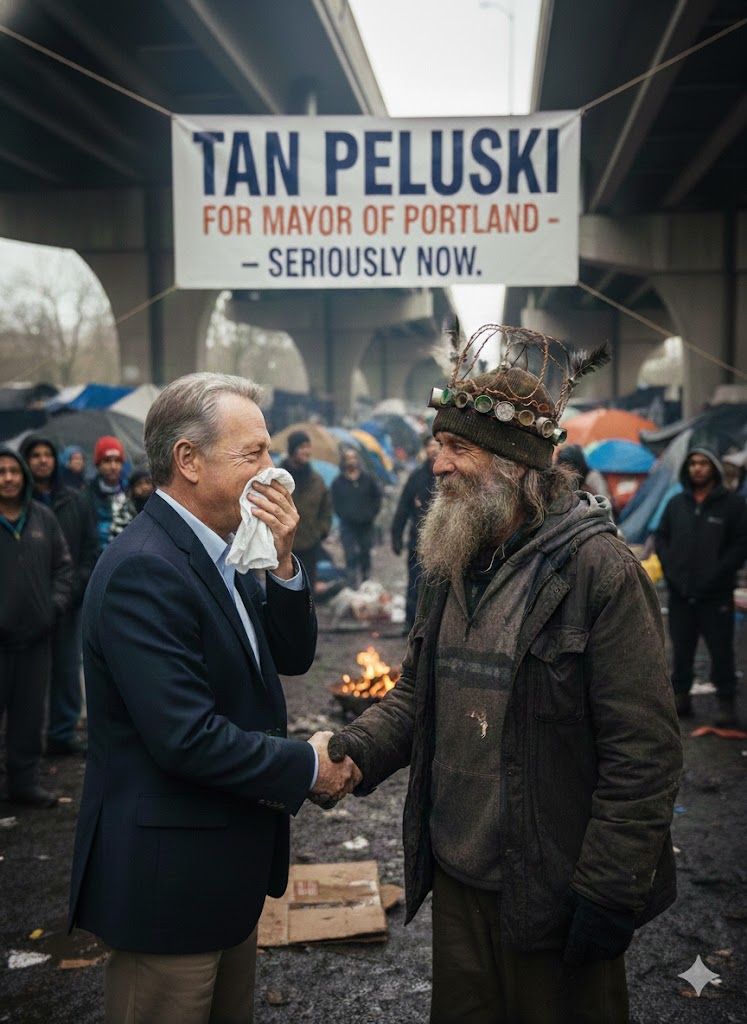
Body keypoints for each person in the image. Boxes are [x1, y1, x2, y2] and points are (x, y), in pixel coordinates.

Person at [320, 326, 683, 1024]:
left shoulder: (599, 574)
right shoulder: (450, 562)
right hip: (459, 880)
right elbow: (416, 697)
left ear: (516, 465)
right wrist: (346, 758)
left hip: (554, 885)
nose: (437, 465)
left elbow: (643, 751)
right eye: (438, 446)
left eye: (457, 449)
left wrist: (609, 889)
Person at [68, 372, 357, 1024]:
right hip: (169, 889)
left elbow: (288, 658)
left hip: (220, 877)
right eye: (252, 454)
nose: (272, 470)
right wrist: (307, 764)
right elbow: (185, 738)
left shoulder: (220, 548)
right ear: (188, 461)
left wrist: (283, 564)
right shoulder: (146, 567)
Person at [0, 446, 73, 807]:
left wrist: (53, 607)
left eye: (14, 471)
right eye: (2, 472)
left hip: (35, 639)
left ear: (24, 477)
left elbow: (63, 567)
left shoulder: (43, 518)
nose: (9, 478)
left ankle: (24, 783)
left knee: (30, 717)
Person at [654, 444, 747, 726]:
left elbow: (740, 545)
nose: (697, 468)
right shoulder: (676, 503)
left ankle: (726, 704)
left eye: (703, 463)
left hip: (715, 595)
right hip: (681, 594)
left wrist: (716, 575)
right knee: (681, 649)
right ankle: (681, 699)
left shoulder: (732, 505)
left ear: (714, 470)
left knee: (721, 651)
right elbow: (661, 538)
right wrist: (671, 572)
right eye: (693, 463)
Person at [19, 435, 98, 756]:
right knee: (25, 676)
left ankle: (62, 733)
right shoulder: (15, 502)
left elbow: (90, 550)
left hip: (68, 602)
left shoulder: (75, 500)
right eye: (34, 455)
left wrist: (69, 593)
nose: (41, 460)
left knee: (67, 670)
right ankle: (24, 738)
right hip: (24, 606)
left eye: (47, 454)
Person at [391, 434, 439, 631]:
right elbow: (403, 508)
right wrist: (396, 535)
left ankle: (433, 626)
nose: (434, 450)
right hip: (417, 541)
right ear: (425, 450)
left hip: (442, 543)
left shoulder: (449, 475)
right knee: (414, 583)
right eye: (430, 446)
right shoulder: (416, 478)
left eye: (438, 445)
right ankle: (410, 623)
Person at [280, 429, 332, 593]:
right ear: (292, 450)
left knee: (308, 593)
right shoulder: (277, 478)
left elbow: (326, 509)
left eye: (308, 446)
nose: (307, 451)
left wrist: (321, 531)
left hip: (310, 545)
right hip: (282, 547)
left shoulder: (317, 480)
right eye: (302, 446)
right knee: (283, 592)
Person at [330, 446, 382, 587]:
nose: (351, 461)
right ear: (344, 461)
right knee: (350, 554)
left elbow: (377, 497)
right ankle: (352, 582)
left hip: (366, 523)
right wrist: (343, 514)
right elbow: (335, 502)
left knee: (365, 552)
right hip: (348, 525)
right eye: (348, 458)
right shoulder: (338, 482)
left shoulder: (367, 479)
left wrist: (372, 513)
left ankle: (365, 580)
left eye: (354, 458)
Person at [87, 435, 135, 553]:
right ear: (98, 464)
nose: (113, 467)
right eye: (107, 461)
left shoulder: (132, 492)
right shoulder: (86, 497)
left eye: (117, 461)